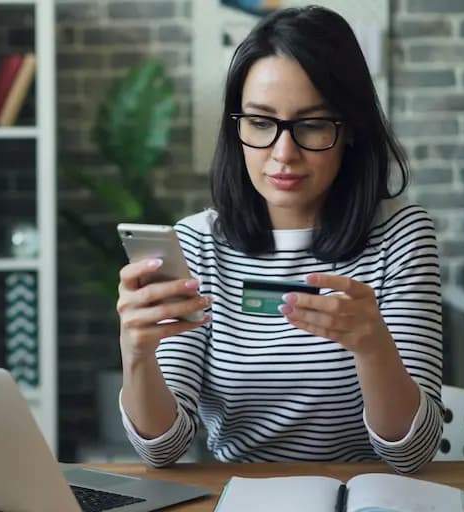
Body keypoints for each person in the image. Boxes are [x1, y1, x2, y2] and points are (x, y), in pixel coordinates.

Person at [116, 5, 443, 474]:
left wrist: (373, 349)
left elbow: (413, 453)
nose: (283, 154)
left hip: (368, 495)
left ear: (349, 129)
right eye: (261, 123)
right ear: (237, 128)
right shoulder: (196, 244)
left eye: (311, 124)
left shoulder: (402, 235)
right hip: (237, 496)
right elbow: (161, 451)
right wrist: (137, 353)